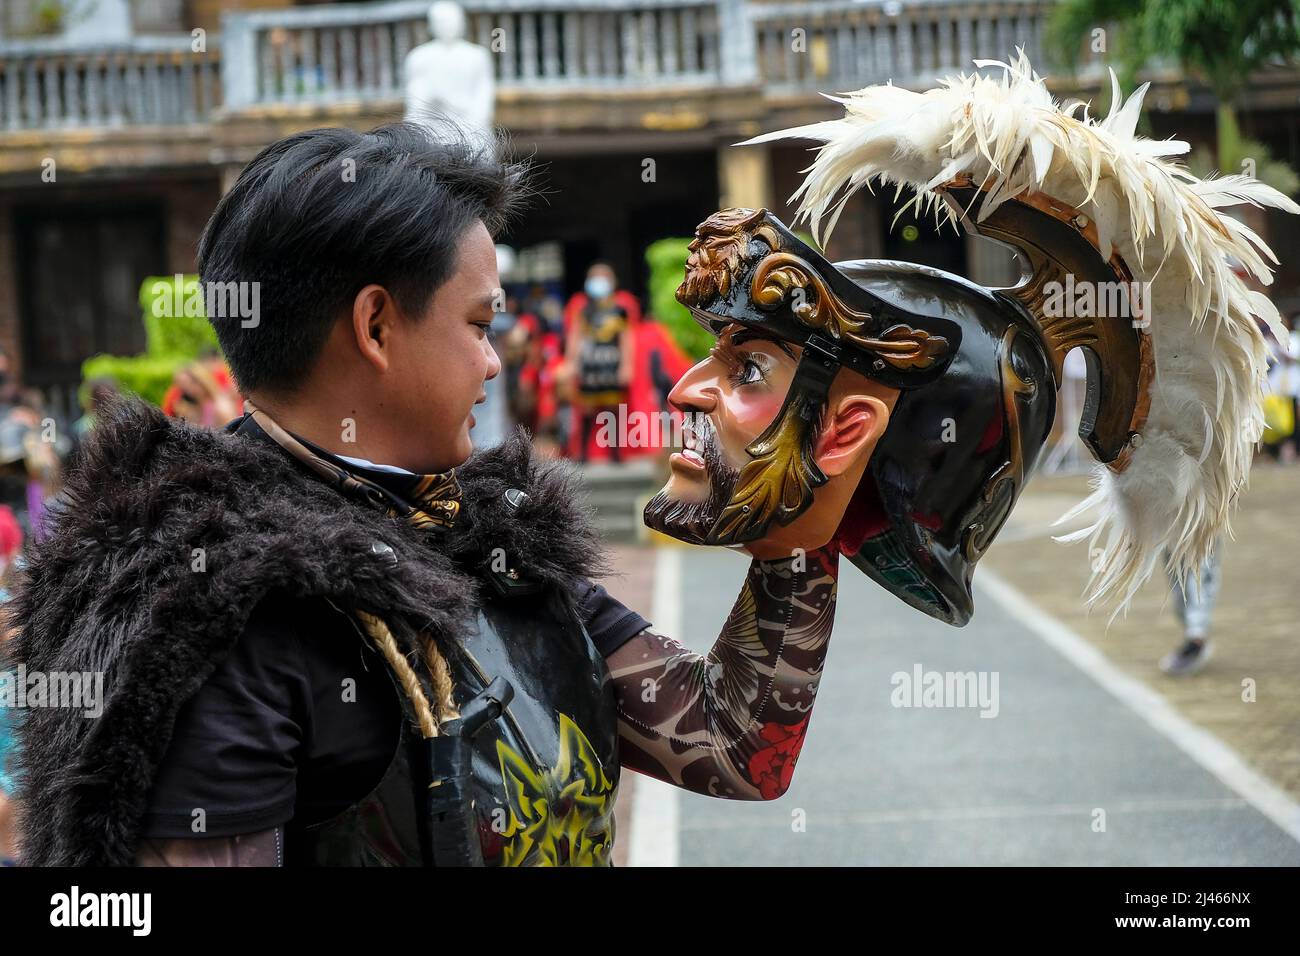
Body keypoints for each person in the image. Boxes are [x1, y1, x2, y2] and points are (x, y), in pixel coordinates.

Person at [6, 120, 847, 867]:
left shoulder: (484, 535)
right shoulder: (213, 614)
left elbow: (735, 744)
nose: (494, 362)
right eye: (480, 325)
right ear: (376, 327)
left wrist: (797, 518)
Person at [564, 262, 638, 462]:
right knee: (587, 409)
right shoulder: (584, 310)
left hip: (611, 364)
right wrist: (572, 363)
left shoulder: (619, 310)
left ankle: (616, 453)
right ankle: (583, 453)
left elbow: (626, 339)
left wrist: (627, 365)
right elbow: (575, 337)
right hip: (589, 365)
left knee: (613, 409)